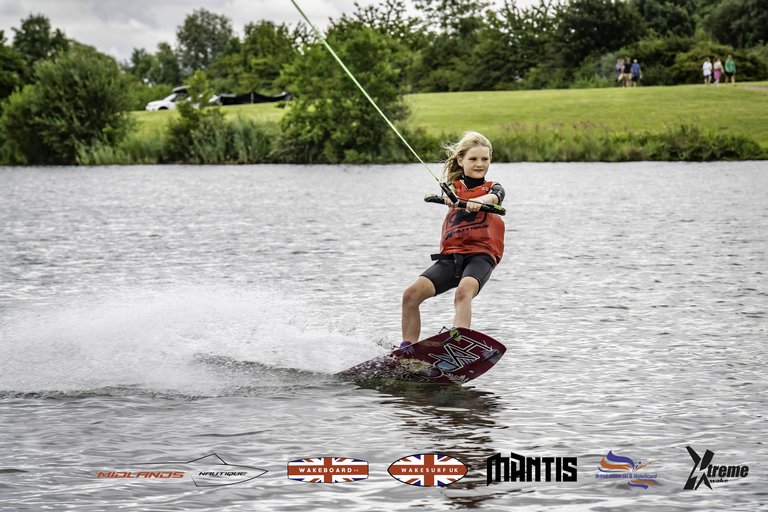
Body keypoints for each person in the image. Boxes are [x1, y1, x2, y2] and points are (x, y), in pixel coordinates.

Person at [401, 131, 505, 345]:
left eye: (485, 159)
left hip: (481, 257)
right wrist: (450, 199)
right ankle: (407, 350)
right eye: (473, 159)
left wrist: (479, 200)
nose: (480, 164)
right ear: (460, 160)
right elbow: (448, 192)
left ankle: (459, 343)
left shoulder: (494, 188)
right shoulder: (453, 187)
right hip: (450, 258)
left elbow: (495, 197)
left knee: (463, 291)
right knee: (410, 295)